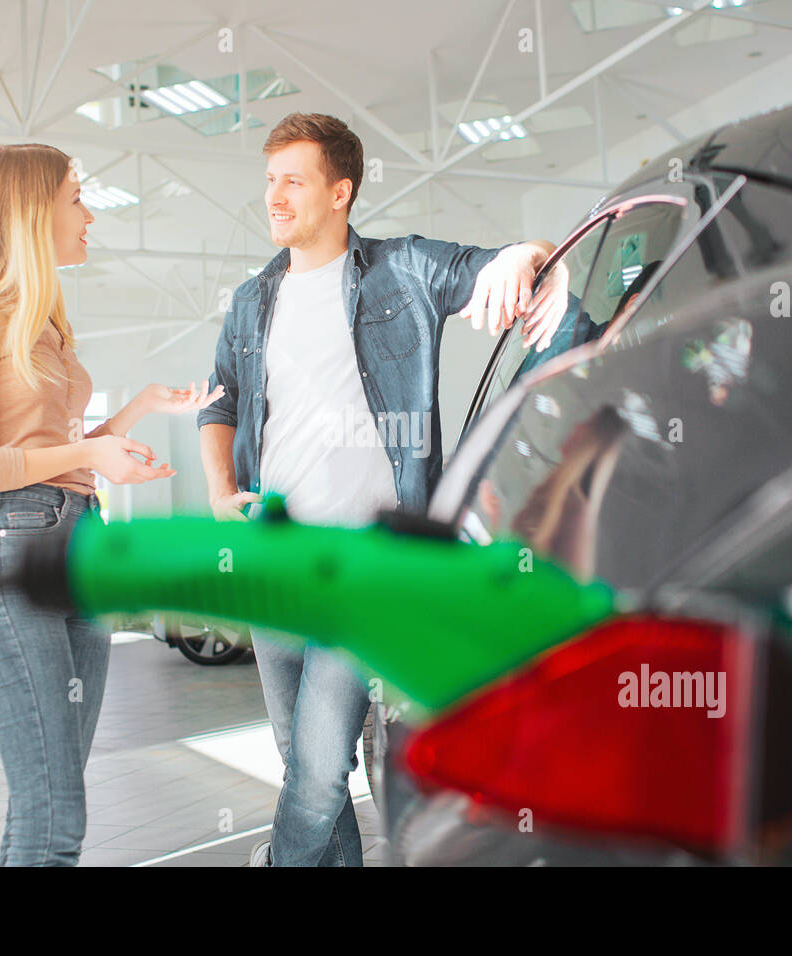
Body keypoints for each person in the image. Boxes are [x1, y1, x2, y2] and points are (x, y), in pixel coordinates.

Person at [196, 113, 568, 866]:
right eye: (269, 179)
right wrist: (217, 491)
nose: (273, 195)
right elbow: (219, 402)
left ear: (341, 191)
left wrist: (528, 256)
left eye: (291, 180)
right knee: (299, 762)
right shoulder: (249, 303)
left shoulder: (402, 271)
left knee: (320, 767)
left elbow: (505, 261)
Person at [0, 143, 221, 866]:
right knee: (55, 814)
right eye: (76, 198)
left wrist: (132, 416)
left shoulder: (44, 319)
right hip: (14, 551)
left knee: (54, 798)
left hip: (79, 547)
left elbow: (53, 447)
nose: (89, 215)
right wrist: (87, 454)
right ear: (29, 210)